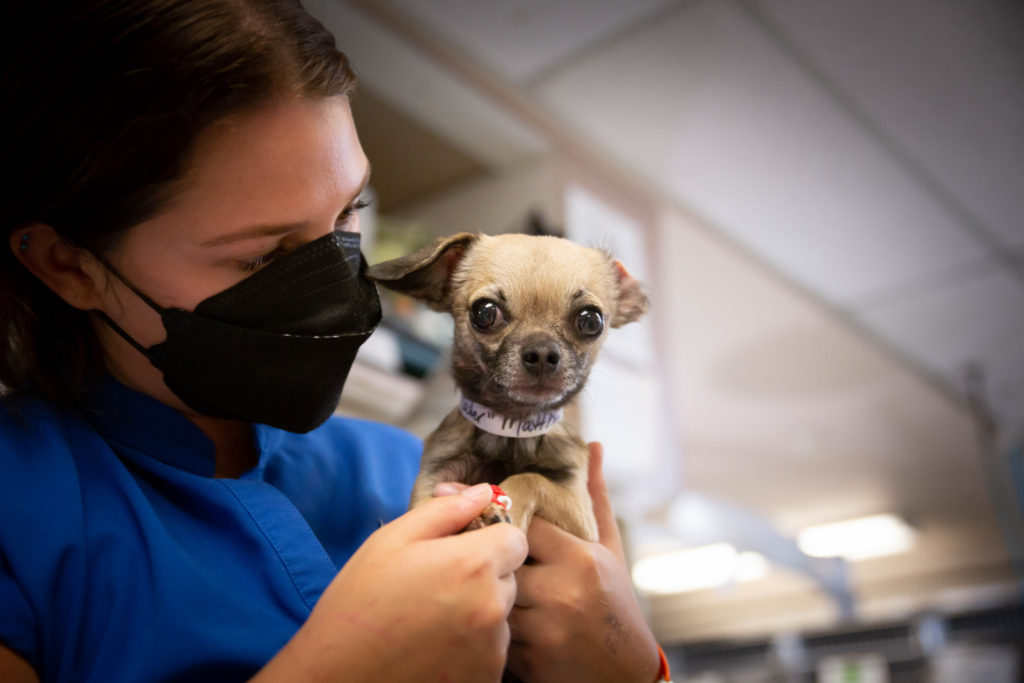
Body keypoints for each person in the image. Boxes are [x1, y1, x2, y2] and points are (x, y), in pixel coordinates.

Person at [0, 1, 667, 682]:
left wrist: (635, 663)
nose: (338, 282)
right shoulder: (18, 511)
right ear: (69, 264)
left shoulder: (412, 468)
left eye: (350, 211)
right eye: (263, 256)